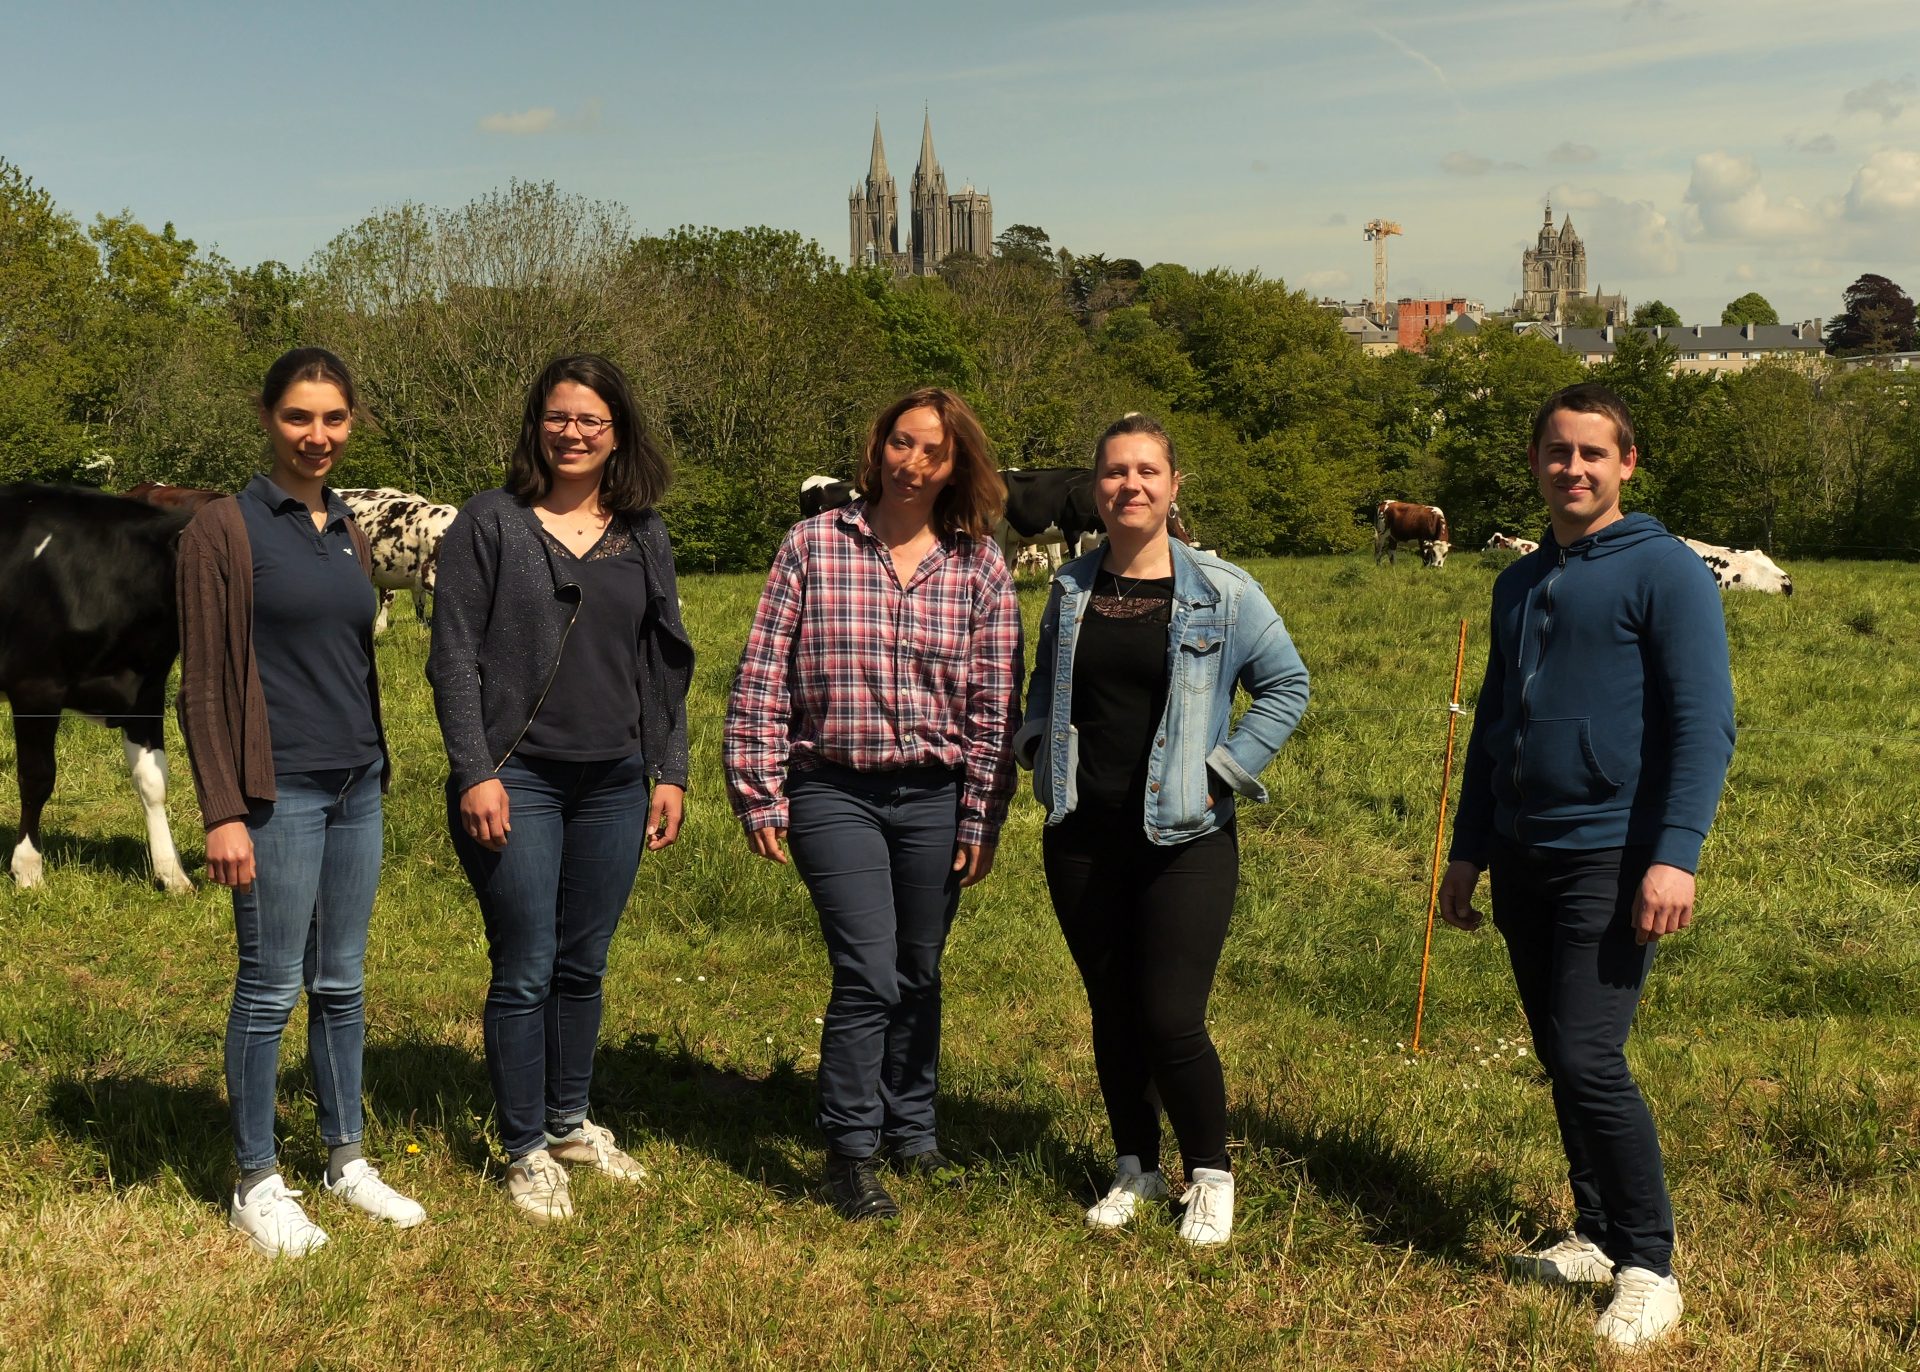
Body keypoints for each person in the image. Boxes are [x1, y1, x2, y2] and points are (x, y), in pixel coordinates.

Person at [1438, 382, 1736, 1351]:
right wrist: (1468, 852)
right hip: (1525, 851)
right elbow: (1492, 727)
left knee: (1586, 1053)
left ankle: (1651, 1261)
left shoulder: (1668, 573)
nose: (1573, 468)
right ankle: (1597, 1233)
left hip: (1614, 853)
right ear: (1536, 463)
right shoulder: (1518, 582)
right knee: (1558, 1050)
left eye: (1592, 454)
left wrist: (1675, 855)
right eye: (1557, 452)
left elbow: (1705, 723)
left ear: (1627, 464)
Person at [723, 387, 1020, 1222]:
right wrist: (759, 793)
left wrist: (981, 816)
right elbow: (762, 676)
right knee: (868, 973)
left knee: (918, 971)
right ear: (876, 448)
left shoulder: (979, 565)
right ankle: (850, 1152)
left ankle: (912, 1128)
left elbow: (996, 704)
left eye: (933, 450)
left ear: (957, 464)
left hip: (935, 794)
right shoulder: (813, 546)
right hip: (834, 789)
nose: (912, 463)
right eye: (900, 443)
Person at [1016, 413, 1309, 1247]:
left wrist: (1225, 769)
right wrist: (1036, 745)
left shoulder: (1224, 589)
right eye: (1114, 472)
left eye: (1147, 471)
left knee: (1170, 1014)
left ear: (1174, 486)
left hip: (1186, 835)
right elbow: (1046, 686)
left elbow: (1286, 685)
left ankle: (1210, 1175)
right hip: (1080, 832)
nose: (1129, 486)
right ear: (1096, 488)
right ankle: (1135, 1165)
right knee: (1112, 1009)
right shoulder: (1069, 590)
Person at [427, 354, 693, 1223]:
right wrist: (475, 771)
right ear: (535, 424)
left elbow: (665, 660)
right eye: (558, 416)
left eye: (592, 420)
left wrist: (671, 770)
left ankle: (571, 1120)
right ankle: (524, 1148)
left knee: (584, 963)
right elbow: (453, 656)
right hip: (521, 778)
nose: (573, 433)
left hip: (616, 778)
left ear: (618, 433)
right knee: (526, 963)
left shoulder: (643, 531)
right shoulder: (491, 522)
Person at [177, 346, 427, 1257]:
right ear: (266, 418)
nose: (316, 436)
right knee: (270, 984)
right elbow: (202, 684)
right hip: (275, 792)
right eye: (298, 417)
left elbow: (353, 655)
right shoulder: (224, 529)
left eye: (333, 419)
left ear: (350, 422)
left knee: (343, 981)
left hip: (358, 782)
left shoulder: (346, 526)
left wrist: (375, 761)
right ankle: (254, 1179)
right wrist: (221, 810)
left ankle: (345, 1157)